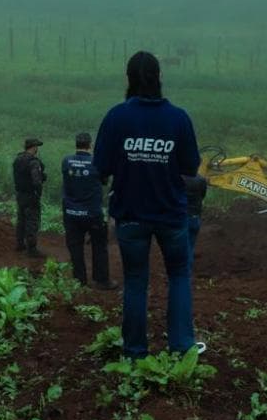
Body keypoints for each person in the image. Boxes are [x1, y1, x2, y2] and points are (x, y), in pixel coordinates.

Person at [92, 51, 202, 359]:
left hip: (130, 215)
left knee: (136, 281)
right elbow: (191, 167)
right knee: (179, 276)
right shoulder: (178, 118)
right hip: (171, 214)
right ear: (159, 78)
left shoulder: (116, 117)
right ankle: (181, 348)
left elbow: (100, 168)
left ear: (128, 79)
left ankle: (135, 352)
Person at [62, 132, 116, 289]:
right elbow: (104, 181)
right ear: (90, 145)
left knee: (75, 247)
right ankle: (101, 280)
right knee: (99, 246)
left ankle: (79, 280)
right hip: (92, 213)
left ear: (76, 144)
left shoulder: (66, 161)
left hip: (71, 213)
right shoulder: (97, 162)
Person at [13, 137, 46, 257]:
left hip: (20, 194)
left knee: (21, 219)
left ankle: (20, 244)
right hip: (31, 195)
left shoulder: (18, 159)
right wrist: (38, 192)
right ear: (34, 147)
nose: (37, 149)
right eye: (37, 146)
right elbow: (36, 181)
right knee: (32, 221)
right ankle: (32, 250)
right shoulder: (33, 162)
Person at [182, 172, 208, 270]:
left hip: (181, 218)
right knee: (190, 247)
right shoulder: (201, 180)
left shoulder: (177, 178)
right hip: (194, 218)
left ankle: (181, 272)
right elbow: (203, 195)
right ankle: (187, 271)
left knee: (180, 248)